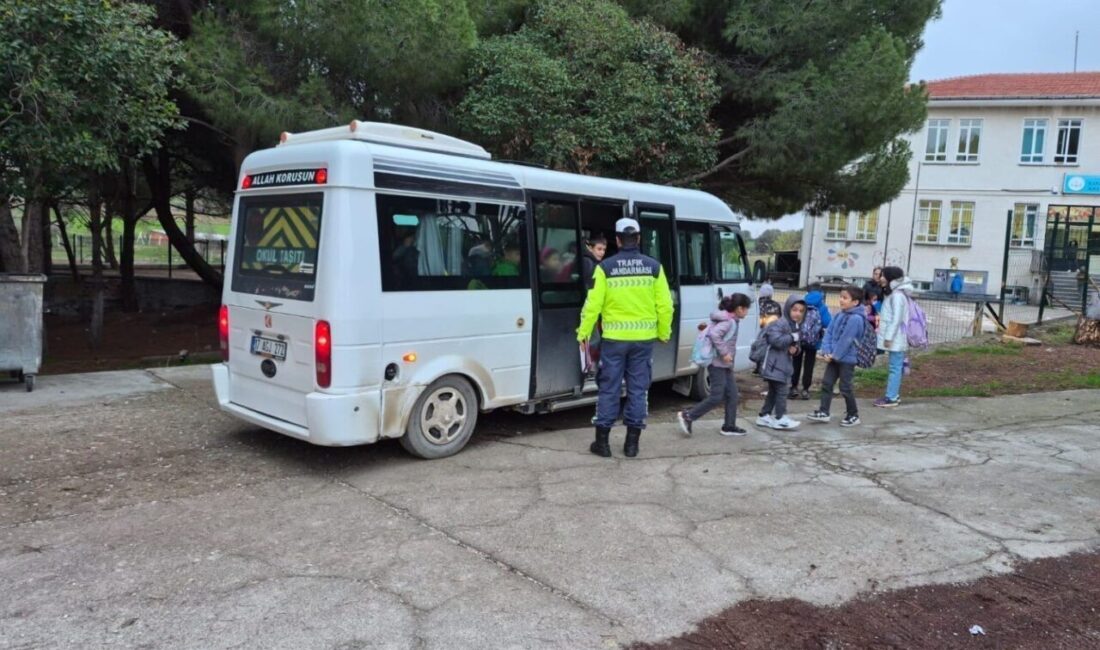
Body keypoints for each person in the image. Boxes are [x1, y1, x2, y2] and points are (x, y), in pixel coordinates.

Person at [577, 217, 674, 458]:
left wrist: (583, 333)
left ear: (617, 241)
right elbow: (665, 306)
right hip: (644, 341)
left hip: (614, 341)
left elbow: (592, 306)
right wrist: (664, 332)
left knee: (609, 389)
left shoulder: (605, 268)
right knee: (638, 390)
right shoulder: (654, 267)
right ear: (639, 239)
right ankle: (632, 445)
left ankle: (603, 444)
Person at [676, 293, 752, 438]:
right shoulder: (728, 321)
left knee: (733, 395)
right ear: (739, 309)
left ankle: (729, 426)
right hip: (718, 364)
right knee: (716, 396)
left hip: (725, 364)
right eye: (746, 309)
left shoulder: (730, 319)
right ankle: (688, 416)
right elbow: (715, 335)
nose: (747, 312)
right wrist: (724, 353)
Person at [807, 285, 867, 427]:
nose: (841, 300)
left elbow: (846, 340)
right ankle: (824, 411)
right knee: (827, 384)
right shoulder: (839, 315)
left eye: (845, 298)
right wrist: (826, 351)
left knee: (846, 387)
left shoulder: (856, 319)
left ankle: (853, 414)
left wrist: (834, 356)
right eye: (841, 297)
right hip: (834, 357)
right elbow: (829, 333)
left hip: (847, 360)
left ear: (855, 302)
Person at [756, 295, 805, 430]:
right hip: (774, 364)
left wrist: (795, 350)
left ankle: (764, 415)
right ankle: (780, 417)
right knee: (782, 390)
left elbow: (796, 347)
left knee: (773, 391)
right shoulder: (779, 323)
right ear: (788, 308)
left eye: (801, 311)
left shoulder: (794, 325)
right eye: (795, 310)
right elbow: (775, 341)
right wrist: (791, 337)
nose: (797, 313)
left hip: (782, 364)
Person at [875, 266, 913, 408]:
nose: (881, 278)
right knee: (895, 367)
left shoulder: (897, 296)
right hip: (896, 338)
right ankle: (892, 395)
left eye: (883, 275)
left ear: (891, 278)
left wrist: (888, 337)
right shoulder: (896, 294)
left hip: (896, 338)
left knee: (895, 368)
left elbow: (896, 319)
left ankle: (891, 397)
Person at [791, 286, 831, 399]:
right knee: (809, 365)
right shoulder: (822, 307)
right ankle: (805, 389)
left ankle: (793, 387)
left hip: (798, 339)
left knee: (796, 363)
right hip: (813, 342)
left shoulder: (802, 303)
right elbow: (827, 323)